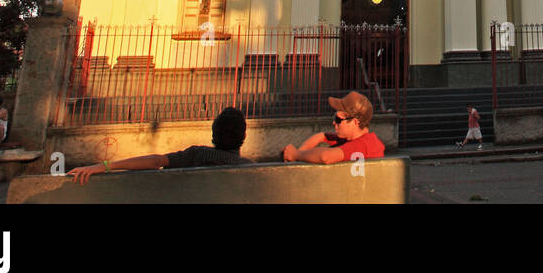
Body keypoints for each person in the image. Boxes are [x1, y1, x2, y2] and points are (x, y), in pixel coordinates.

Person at [68, 107, 250, 184]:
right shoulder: (250, 168)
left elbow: (156, 161)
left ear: (214, 133)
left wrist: (105, 166)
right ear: (244, 135)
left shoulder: (198, 155)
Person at [282, 91, 385, 164]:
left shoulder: (364, 145)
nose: (334, 123)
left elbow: (325, 157)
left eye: (338, 119)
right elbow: (321, 136)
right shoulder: (350, 140)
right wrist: (297, 155)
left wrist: (296, 155)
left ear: (354, 122)